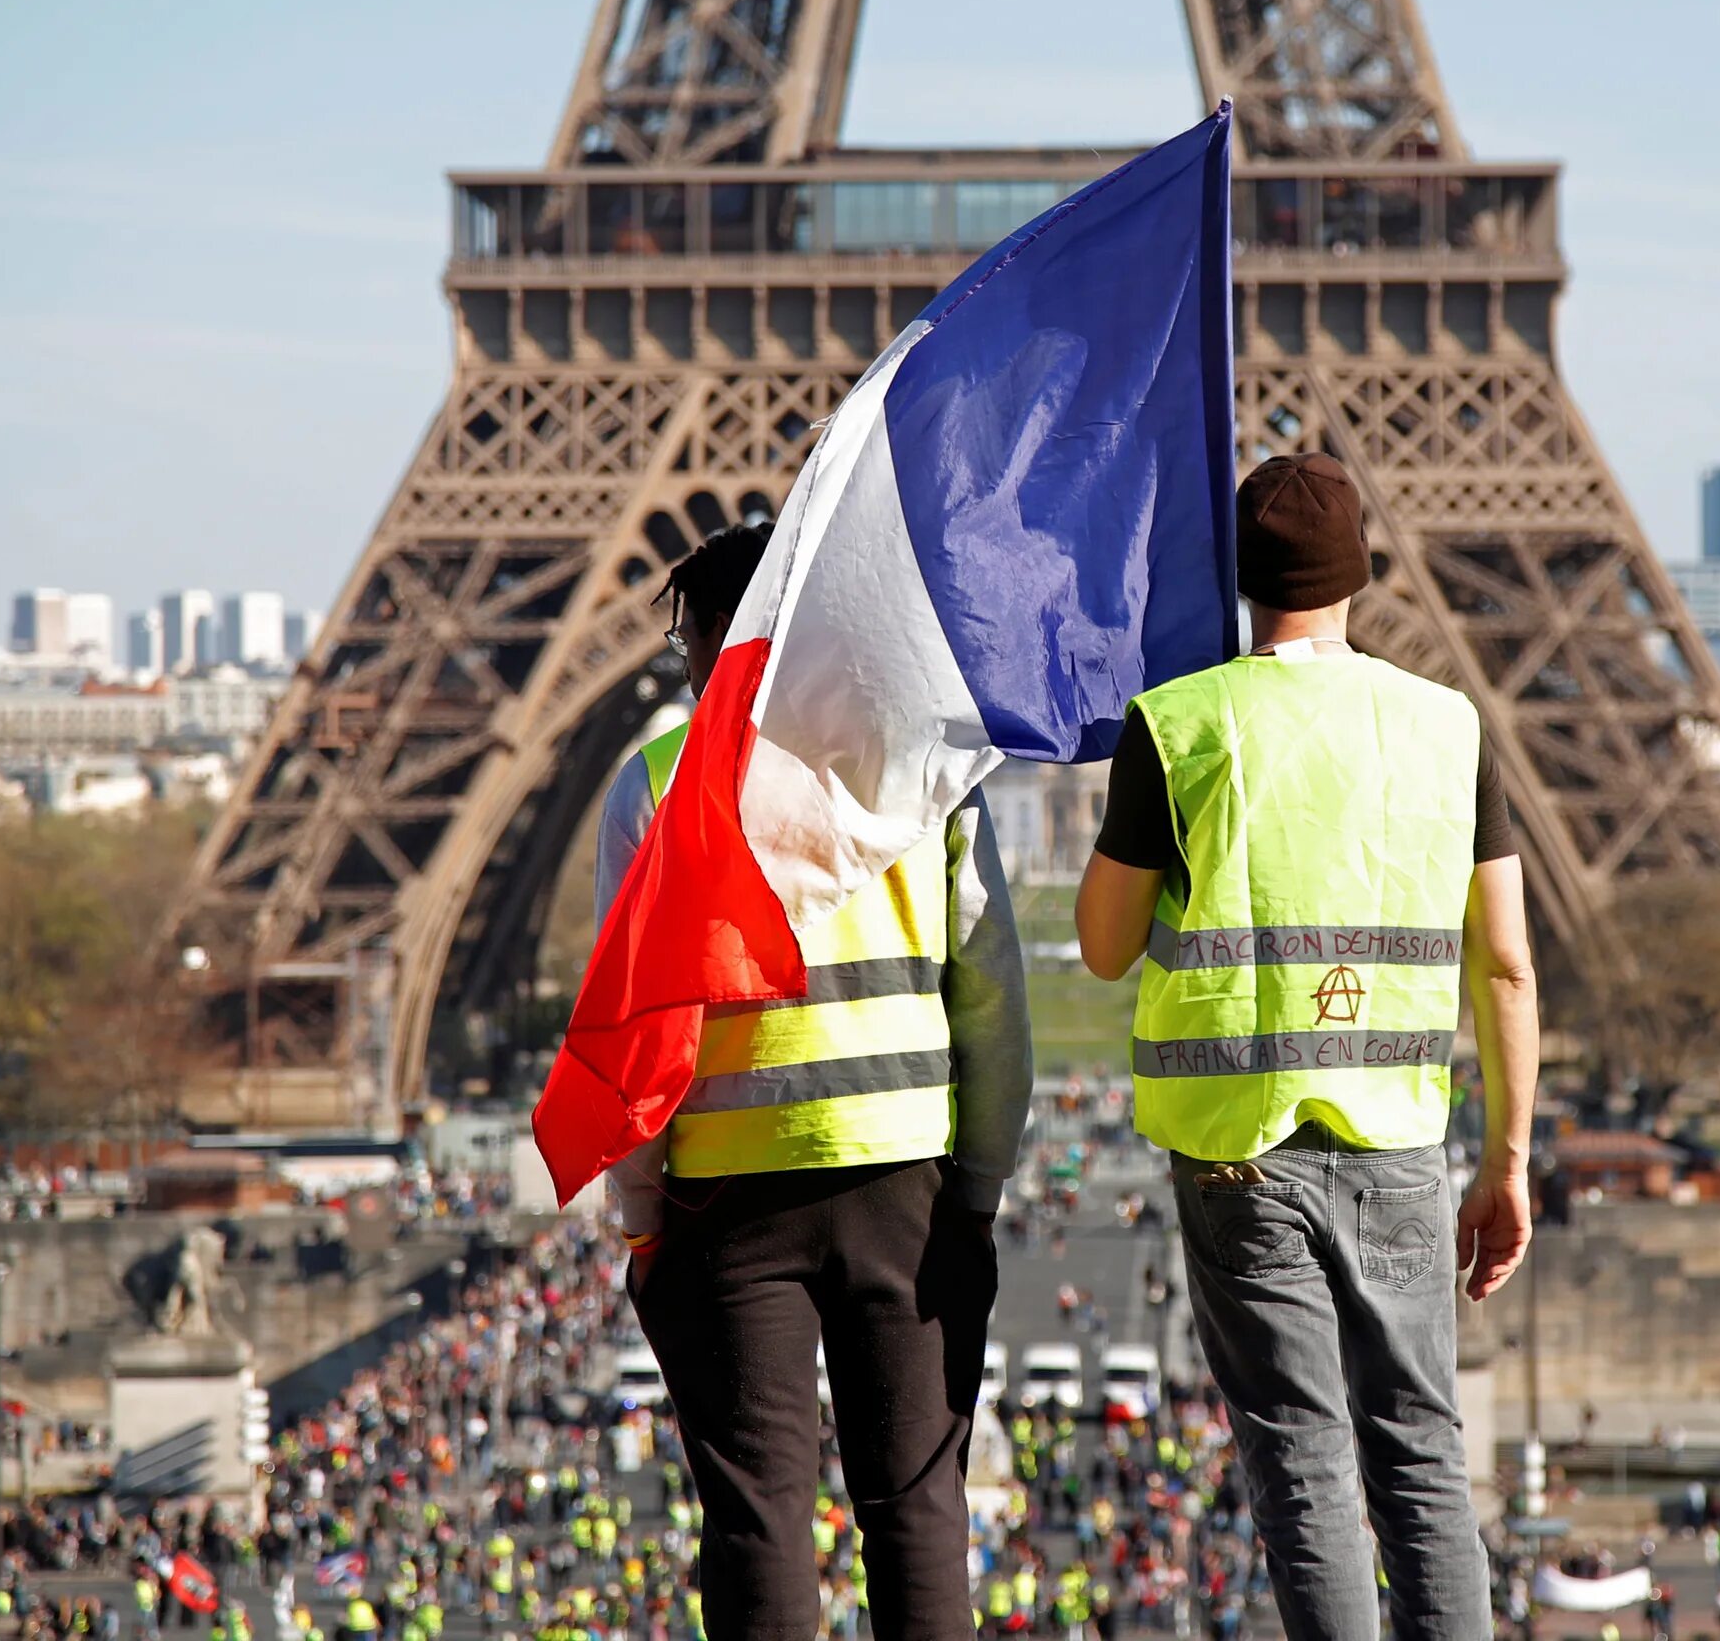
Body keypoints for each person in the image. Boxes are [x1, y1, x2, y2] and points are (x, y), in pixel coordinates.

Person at [1075, 452, 1540, 1641]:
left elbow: (1103, 944)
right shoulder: (1446, 725)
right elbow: (1506, 964)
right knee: (1421, 1450)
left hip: (1237, 1146)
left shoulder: (1180, 724)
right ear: (1361, 576)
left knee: (1300, 1458)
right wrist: (1509, 1159)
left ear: (1240, 576)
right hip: (1394, 1138)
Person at [598, 523, 1032, 1640]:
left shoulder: (656, 783)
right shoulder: (923, 769)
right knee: (918, 1502)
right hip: (904, 1178)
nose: (688, 665)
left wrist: (641, 1214)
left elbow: (636, 1024)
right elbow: (989, 991)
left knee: (754, 1517)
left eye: (689, 640)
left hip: (727, 1194)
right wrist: (977, 1184)